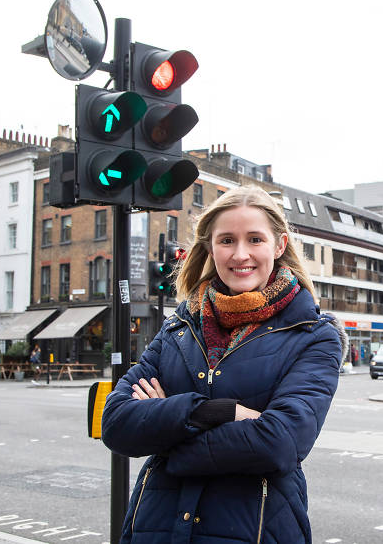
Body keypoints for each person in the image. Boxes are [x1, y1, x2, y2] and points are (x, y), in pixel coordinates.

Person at [101, 186, 345, 544]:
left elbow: (280, 444)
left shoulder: (312, 335)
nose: (240, 254)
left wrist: (168, 440)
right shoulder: (180, 326)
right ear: (210, 247)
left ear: (278, 245)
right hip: (158, 529)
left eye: (255, 239)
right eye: (227, 240)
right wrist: (217, 412)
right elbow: (117, 423)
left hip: (256, 530)